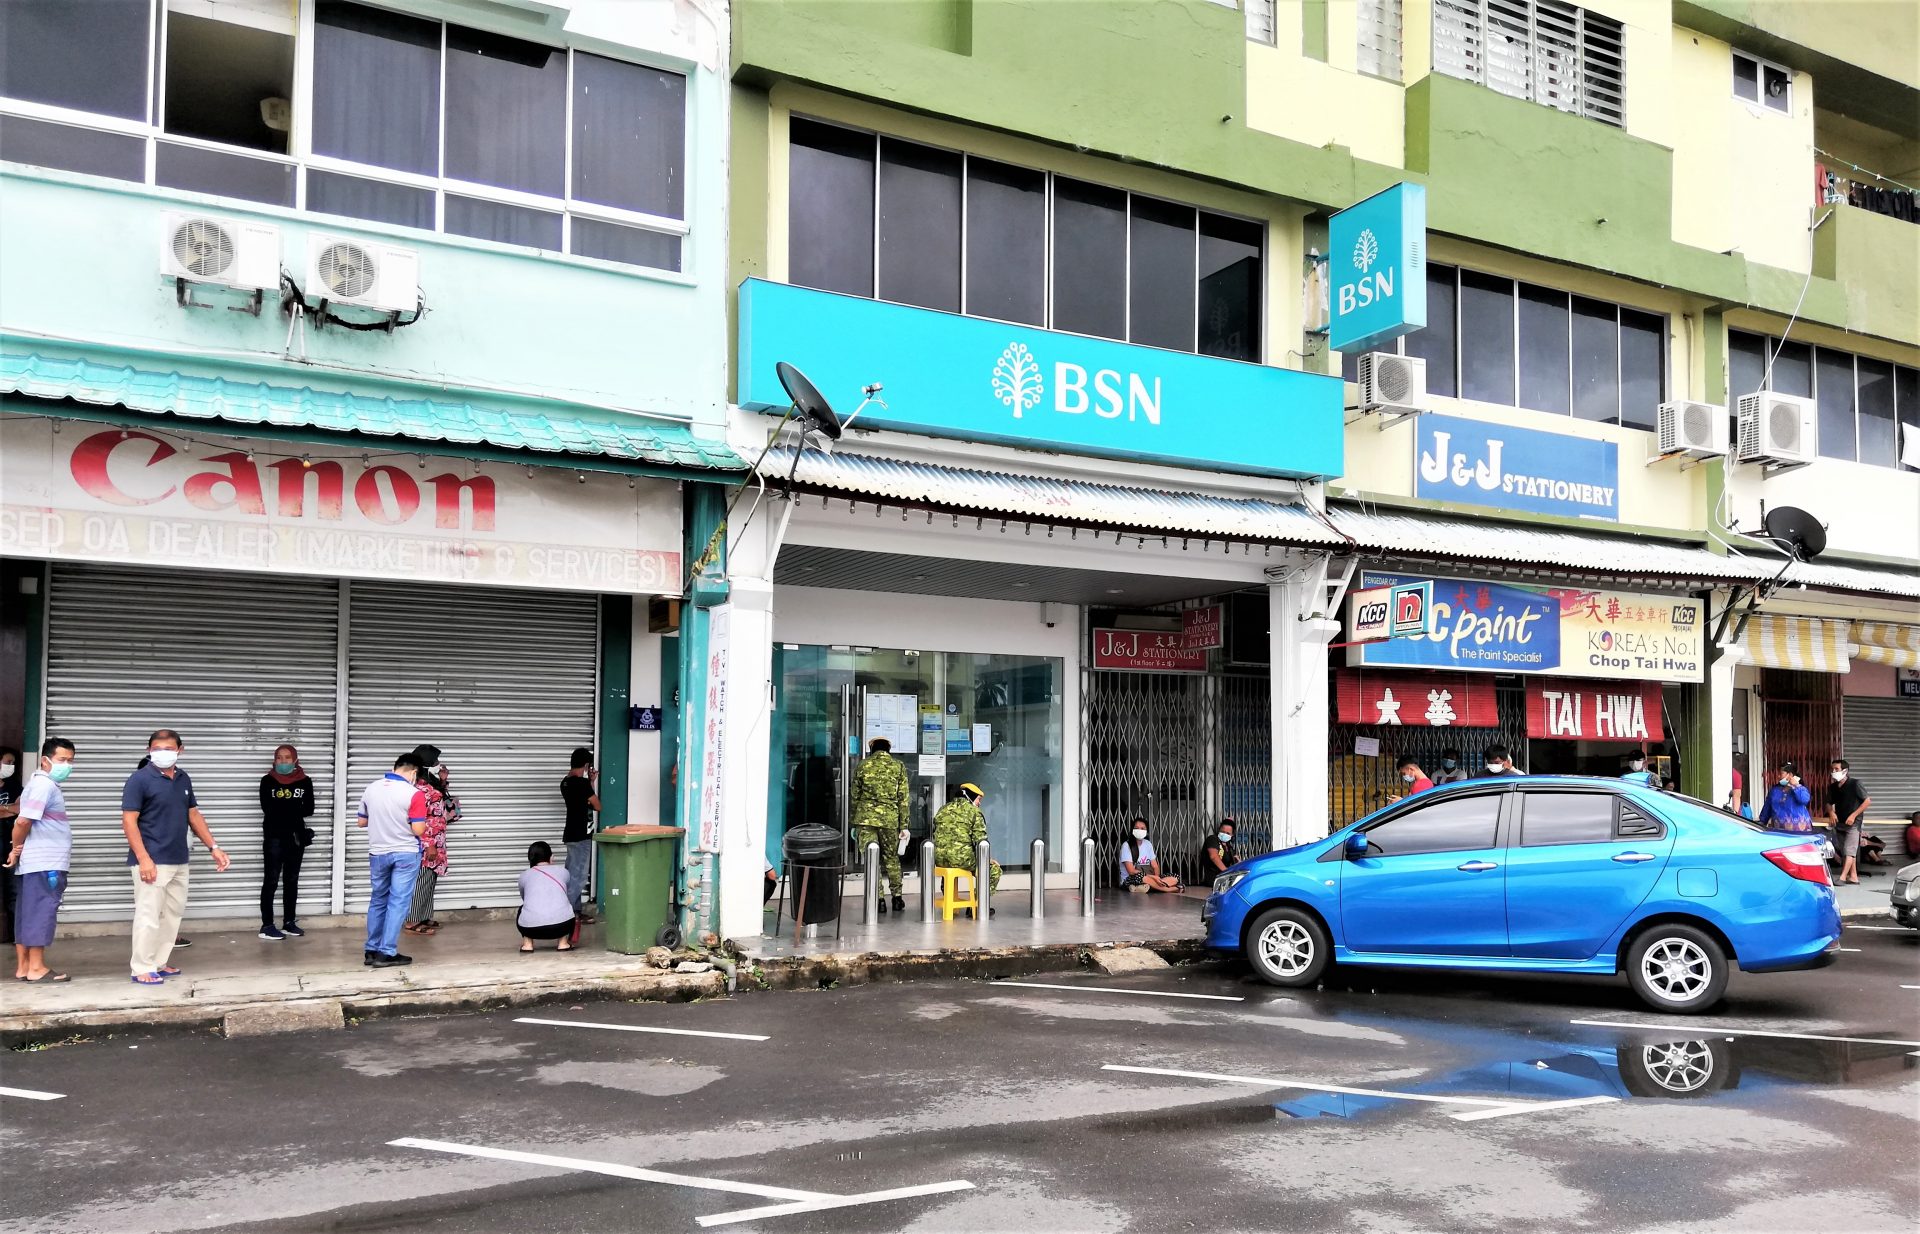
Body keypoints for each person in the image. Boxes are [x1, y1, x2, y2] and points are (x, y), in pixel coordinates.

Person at [122, 729, 230, 985]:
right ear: (149, 750)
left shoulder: (183, 778)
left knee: (171, 915)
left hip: (179, 858)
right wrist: (144, 858)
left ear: (180, 750)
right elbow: (129, 821)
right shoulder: (139, 779)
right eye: (157, 748)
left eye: (169, 749)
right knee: (148, 915)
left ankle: (159, 962)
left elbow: (193, 815)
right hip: (152, 860)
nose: (163, 753)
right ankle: (141, 967)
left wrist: (214, 847)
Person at [5, 738, 76, 983]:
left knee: (27, 912)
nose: (67, 766)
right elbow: (23, 821)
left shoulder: (38, 784)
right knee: (42, 910)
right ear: (45, 760)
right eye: (62, 760)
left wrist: (17, 850)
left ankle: (24, 967)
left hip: (36, 862)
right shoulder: (44, 785)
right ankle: (37, 968)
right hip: (46, 863)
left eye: (70, 761)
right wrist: (15, 848)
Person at [357, 751, 427, 968]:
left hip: (378, 852)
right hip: (405, 853)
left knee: (378, 899)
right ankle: (387, 952)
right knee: (398, 902)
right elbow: (418, 829)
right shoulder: (414, 794)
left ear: (395, 767)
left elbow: (361, 822)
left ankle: (371, 950)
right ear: (414, 773)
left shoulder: (371, 788)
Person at [257, 744, 314, 941]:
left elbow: (309, 809)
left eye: (287, 758)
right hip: (274, 837)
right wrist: (293, 809)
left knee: (291, 880)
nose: (283, 761)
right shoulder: (267, 781)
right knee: (271, 880)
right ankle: (267, 925)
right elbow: (267, 808)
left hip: (296, 839)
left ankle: (289, 922)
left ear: (295, 760)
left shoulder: (305, 781)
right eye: (279, 758)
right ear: (274, 760)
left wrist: (283, 808)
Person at [850, 737, 909, 914]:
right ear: (888, 750)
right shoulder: (898, 766)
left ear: (872, 749)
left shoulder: (863, 765)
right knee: (892, 858)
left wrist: (853, 822)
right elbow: (903, 799)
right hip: (889, 820)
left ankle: (879, 900)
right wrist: (904, 825)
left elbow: (854, 796)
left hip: (865, 819)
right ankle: (897, 898)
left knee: (872, 859)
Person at [931, 783, 999, 917]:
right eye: (978, 799)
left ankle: (949, 896)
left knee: (949, 864)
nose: (979, 803)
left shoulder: (942, 809)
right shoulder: (974, 812)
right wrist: (988, 860)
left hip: (939, 860)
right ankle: (977, 905)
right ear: (970, 797)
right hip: (962, 860)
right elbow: (981, 842)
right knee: (994, 870)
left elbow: (936, 833)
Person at [405, 747, 452, 935]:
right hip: (426, 840)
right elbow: (417, 818)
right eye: (435, 761)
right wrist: (428, 843)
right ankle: (412, 921)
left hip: (436, 839)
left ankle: (423, 916)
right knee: (421, 879)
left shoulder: (429, 783)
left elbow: (440, 801)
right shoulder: (419, 788)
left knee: (430, 879)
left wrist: (443, 780)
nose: (438, 764)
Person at [560, 747, 600, 921]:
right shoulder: (582, 784)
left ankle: (575, 912)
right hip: (582, 835)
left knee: (571, 875)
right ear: (585, 765)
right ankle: (565, 915)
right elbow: (597, 805)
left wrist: (589, 781)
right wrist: (590, 782)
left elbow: (585, 800)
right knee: (579, 877)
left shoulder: (565, 783)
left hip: (570, 833)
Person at [516, 841, 578, 952]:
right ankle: (563, 943)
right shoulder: (563, 872)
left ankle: (527, 945)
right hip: (562, 926)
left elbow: (525, 897)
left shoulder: (524, 875)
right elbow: (565, 892)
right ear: (551, 857)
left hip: (530, 929)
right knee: (567, 907)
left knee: (522, 909)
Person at [1827, 758, 1872, 886]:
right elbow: (1828, 803)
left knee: (1849, 851)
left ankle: (1842, 877)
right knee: (1846, 852)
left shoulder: (1855, 784)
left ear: (1845, 771)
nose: (1834, 772)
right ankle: (1853, 877)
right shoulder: (1833, 787)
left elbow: (1867, 801)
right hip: (1840, 823)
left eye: (1836, 769)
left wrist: (1853, 815)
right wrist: (1831, 813)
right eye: (1832, 769)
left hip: (1854, 824)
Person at [1118, 818, 1183, 893]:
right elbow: (1131, 871)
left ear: (1146, 831)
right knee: (1141, 877)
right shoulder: (1126, 846)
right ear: (1132, 830)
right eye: (1136, 828)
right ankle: (1168, 889)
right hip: (1130, 879)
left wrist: (1157, 877)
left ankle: (1148, 887)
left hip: (1149, 877)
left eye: (1142, 828)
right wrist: (1153, 878)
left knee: (1175, 876)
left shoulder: (1148, 844)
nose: (1139, 830)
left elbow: (1155, 866)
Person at [0, 745, 21, 945]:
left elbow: (21, 808)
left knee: (13, 892)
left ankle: (16, 937)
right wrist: (10, 808)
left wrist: (4, 808)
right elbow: (14, 809)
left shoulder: (14, 786)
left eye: (13, 763)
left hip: (9, 845)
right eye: (8, 762)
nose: (11, 766)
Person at [1755, 761, 1812, 834]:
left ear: (1790, 775)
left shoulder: (1800, 789)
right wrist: (1761, 823)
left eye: (1781, 774)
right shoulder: (1774, 790)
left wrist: (1796, 785)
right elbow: (1767, 809)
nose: (1778, 776)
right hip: (1779, 833)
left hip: (1800, 833)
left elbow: (1804, 799)